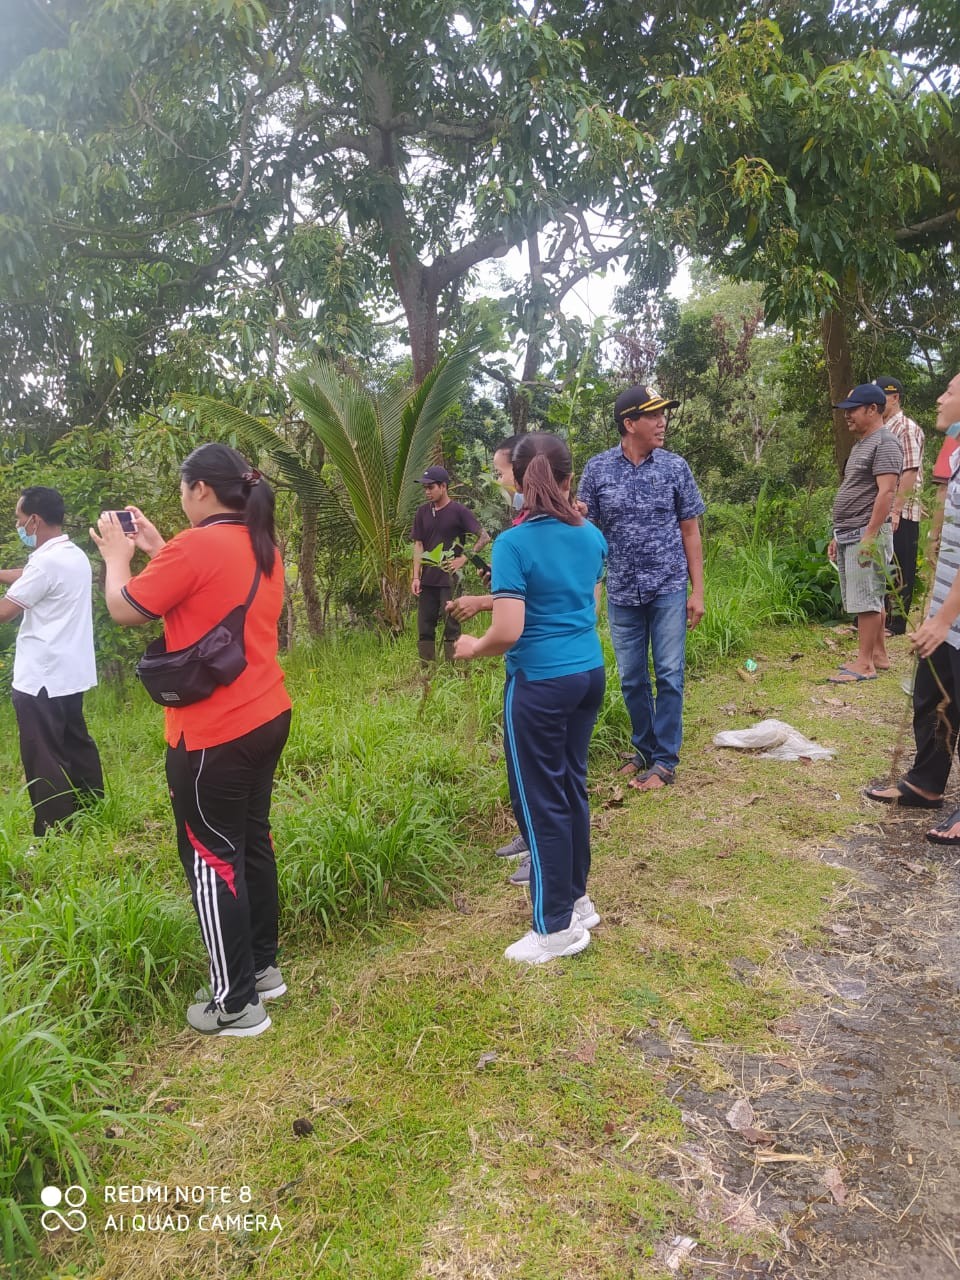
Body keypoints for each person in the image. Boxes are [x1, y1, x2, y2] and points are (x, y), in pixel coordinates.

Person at [91, 444, 291, 1038]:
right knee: (251, 842)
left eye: (183, 488)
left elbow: (127, 608)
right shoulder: (261, 543)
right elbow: (208, 591)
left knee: (212, 857)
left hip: (212, 732)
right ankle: (262, 969)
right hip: (266, 712)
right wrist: (158, 546)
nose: (181, 498)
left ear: (200, 489)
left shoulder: (195, 547)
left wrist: (116, 558)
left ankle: (235, 1003)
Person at [454, 432, 608, 963]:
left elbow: (508, 630)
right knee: (570, 787)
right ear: (569, 477)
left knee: (540, 801)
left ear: (519, 481)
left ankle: (554, 926)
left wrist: (474, 647)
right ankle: (578, 900)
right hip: (587, 673)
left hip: (539, 683)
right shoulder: (591, 534)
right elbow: (589, 604)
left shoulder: (513, 545)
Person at [577, 385, 705, 792]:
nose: (662, 422)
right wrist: (589, 588)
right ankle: (644, 750)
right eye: (653, 415)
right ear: (630, 424)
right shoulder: (597, 470)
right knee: (632, 678)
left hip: (668, 586)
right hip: (621, 591)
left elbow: (690, 530)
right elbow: (586, 533)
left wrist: (697, 591)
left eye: (663, 414)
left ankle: (665, 760)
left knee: (669, 674)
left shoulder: (675, 467)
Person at [864, 370, 960, 844]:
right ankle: (925, 783)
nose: (940, 398)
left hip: (954, 617)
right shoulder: (956, 454)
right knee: (932, 697)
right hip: (948, 612)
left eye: (951, 392)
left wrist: (944, 618)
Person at [0, 487, 103, 836]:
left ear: (34, 520)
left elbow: (5, 611)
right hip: (69, 672)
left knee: (42, 754)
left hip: (40, 676)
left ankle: (52, 832)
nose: (18, 526)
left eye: (19, 519)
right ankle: (92, 809)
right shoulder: (72, 555)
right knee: (76, 743)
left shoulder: (46, 563)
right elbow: (31, 575)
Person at [446, 437, 530, 868]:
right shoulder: (575, 527)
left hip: (537, 668)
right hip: (574, 665)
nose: (499, 481)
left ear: (524, 470)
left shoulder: (522, 537)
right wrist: (494, 591)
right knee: (536, 764)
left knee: (537, 765)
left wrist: (474, 643)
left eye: (500, 472)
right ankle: (531, 834)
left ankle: (543, 852)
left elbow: (518, 617)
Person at [826, 384, 903, 683]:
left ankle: (865, 664)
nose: (847, 416)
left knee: (865, 599)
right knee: (870, 595)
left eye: (853, 410)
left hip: (865, 532)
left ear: (873, 409)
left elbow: (886, 493)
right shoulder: (862, 444)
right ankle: (878, 655)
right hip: (850, 531)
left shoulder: (885, 443)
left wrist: (870, 536)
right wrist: (837, 535)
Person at [410, 465, 490, 666]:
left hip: (450, 579)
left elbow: (484, 537)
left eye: (431, 487)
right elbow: (418, 545)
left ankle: (453, 668)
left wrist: (464, 558)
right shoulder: (422, 512)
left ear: (443, 486)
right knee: (425, 627)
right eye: (425, 488)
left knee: (451, 625)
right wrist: (416, 576)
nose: (427, 492)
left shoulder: (459, 511)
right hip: (427, 579)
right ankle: (426, 669)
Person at [873, 376, 925, 634]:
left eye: (882, 396)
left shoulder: (904, 427)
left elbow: (910, 471)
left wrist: (896, 509)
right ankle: (876, 619)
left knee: (900, 566)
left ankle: (896, 623)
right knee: (881, 563)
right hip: (884, 508)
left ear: (894, 397)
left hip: (901, 510)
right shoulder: (882, 428)